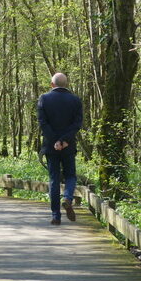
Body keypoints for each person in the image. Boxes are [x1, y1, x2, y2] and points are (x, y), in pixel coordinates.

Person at [37, 72, 83, 225]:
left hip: (51, 147)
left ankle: (56, 216)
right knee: (70, 176)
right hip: (68, 146)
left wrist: (55, 141)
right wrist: (64, 140)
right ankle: (68, 198)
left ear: (52, 84)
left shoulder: (44, 99)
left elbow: (43, 124)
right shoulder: (75, 100)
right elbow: (77, 124)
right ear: (66, 84)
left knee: (54, 179)